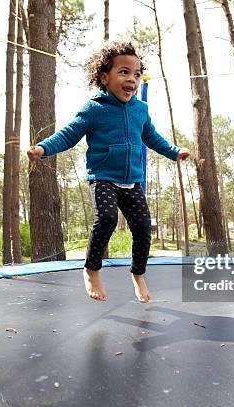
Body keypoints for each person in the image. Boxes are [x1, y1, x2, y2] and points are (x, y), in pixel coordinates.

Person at [27, 40, 189, 303]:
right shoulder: (95, 108)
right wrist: (43, 148)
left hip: (132, 180)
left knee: (143, 228)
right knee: (106, 219)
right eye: (123, 72)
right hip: (103, 177)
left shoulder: (141, 110)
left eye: (136, 74)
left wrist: (173, 151)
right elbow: (69, 135)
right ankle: (91, 269)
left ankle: (138, 274)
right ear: (104, 77)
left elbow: (152, 137)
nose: (132, 80)